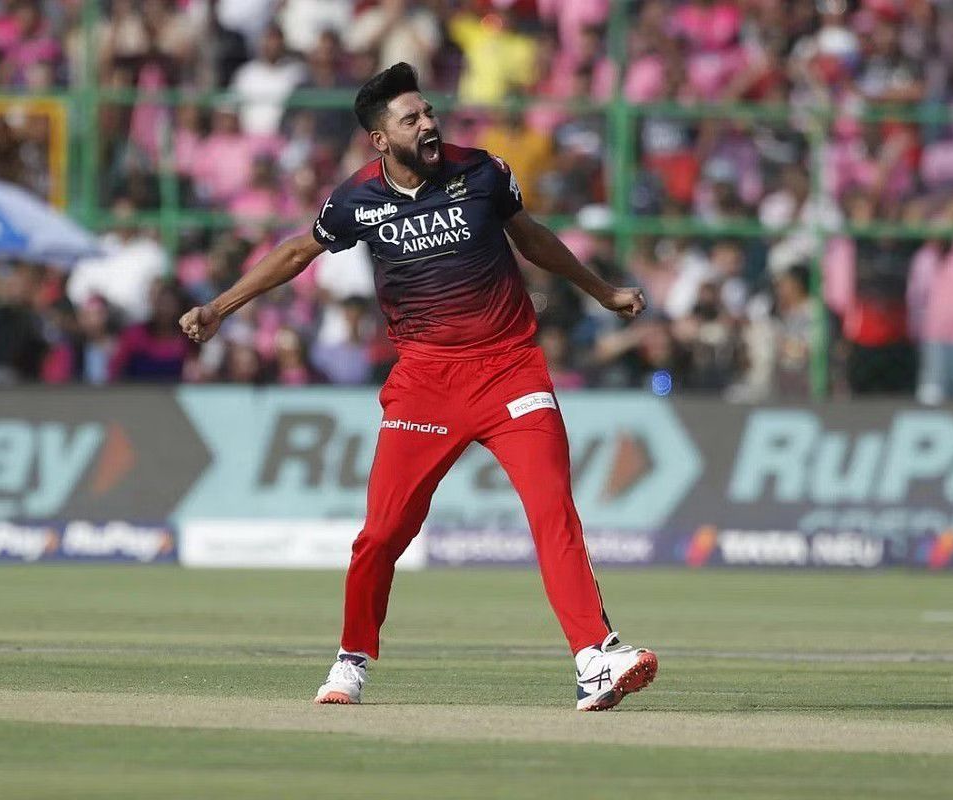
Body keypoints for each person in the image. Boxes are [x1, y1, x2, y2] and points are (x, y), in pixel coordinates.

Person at [179, 63, 658, 712]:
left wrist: (602, 292)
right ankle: (351, 659)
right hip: (425, 383)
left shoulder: (483, 172)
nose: (429, 123)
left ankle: (595, 657)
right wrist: (221, 307)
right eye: (411, 119)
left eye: (429, 112)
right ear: (381, 140)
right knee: (382, 534)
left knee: (553, 510)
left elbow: (534, 240)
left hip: (510, 368)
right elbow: (297, 253)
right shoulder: (356, 200)